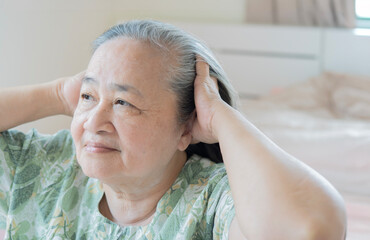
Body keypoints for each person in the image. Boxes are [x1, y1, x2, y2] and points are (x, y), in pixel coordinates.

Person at [0, 20, 346, 239]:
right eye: (88, 96)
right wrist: (58, 93)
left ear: (186, 129)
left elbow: (309, 230)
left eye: (124, 103)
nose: (92, 122)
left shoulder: (216, 202)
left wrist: (221, 118)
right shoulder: (44, 169)